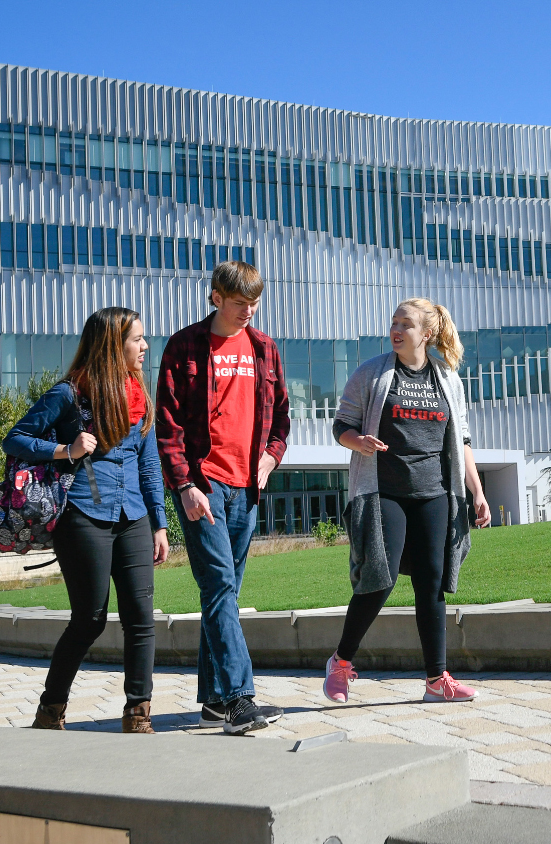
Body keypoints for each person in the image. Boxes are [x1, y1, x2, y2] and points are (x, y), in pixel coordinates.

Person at [3, 307, 170, 734]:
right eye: (137, 339)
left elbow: (149, 465)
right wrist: (66, 450)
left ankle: (138, 715)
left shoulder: (140, 395)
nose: (145, 347)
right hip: (83, 515)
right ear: (114, 344)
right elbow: (16, 438)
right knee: (90, 620)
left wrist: (159, 522)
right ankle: (50, 711)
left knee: (141, 617)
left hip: (132, 514)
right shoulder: (69, 394)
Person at [323, 298, 491, 706]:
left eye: (407, 324)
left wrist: (477, 490)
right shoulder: (373, 373)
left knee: (431, 582)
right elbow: (341, 425)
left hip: (434, 492)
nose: (397, 330)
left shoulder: (447, 378)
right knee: (378, 578)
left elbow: (461, 439)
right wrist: (357, 441)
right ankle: (341, 662)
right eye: (394, 322)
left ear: (427, 333)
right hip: (384, 491)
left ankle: (437, 678)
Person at [156, 261, 290, 735]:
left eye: (254, 303)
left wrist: (270, 460)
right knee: (217, 587)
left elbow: (281, 422)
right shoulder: (184, 347)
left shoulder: (264, 349)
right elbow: (168, 429)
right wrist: (185, 485)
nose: (248, 312)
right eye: (239, 304)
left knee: (226, 593)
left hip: (246, 489)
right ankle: (239, 699)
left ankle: (213, 702)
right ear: (215, 297)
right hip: (204, 485)